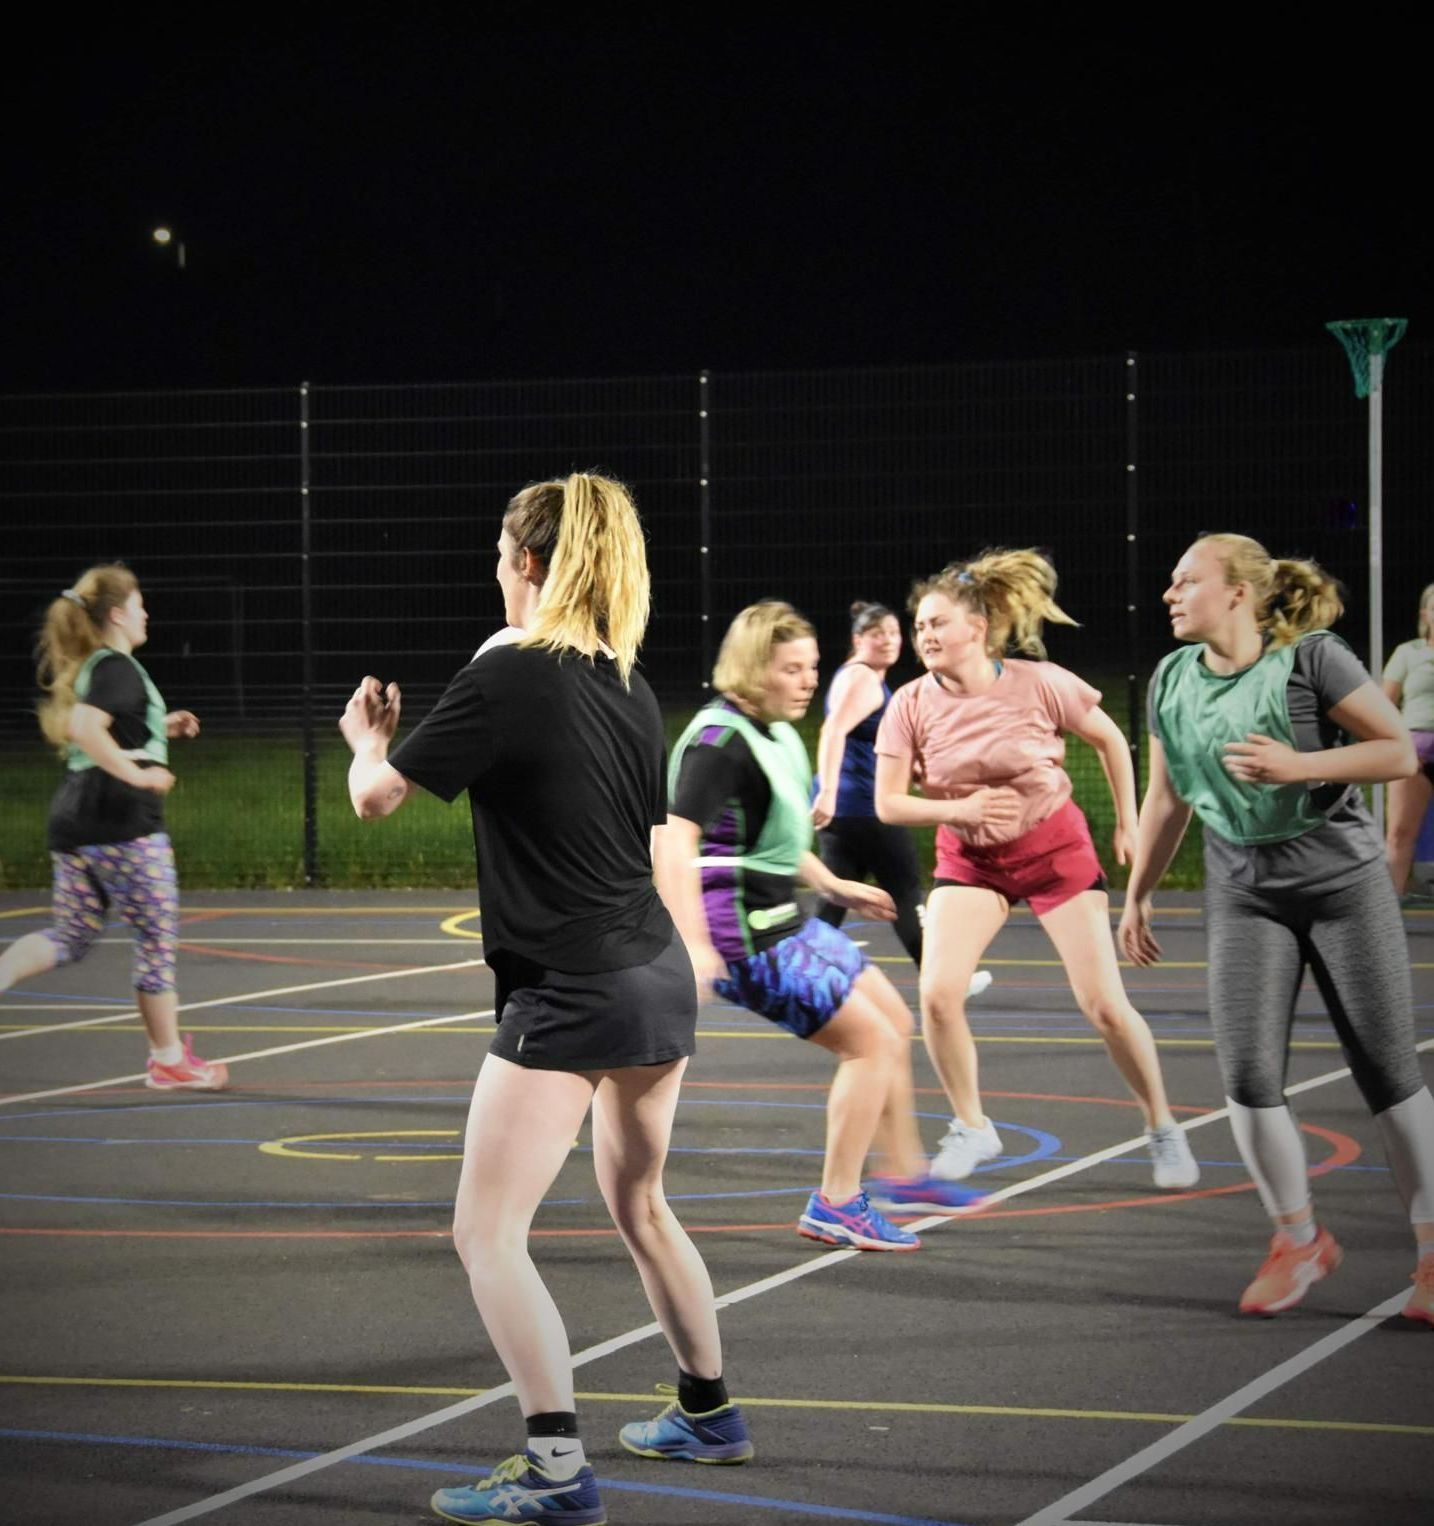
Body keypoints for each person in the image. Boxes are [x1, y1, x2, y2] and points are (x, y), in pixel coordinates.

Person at [341, 474, 753, 1526]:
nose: (492, 565)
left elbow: (377, 800)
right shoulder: (626, 677)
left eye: (496, 549)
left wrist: (367, 743)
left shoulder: (504, 666)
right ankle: (708, 1409)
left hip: (574, 983)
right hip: (654, 974)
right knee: (642, 1203)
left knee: (487, 1231)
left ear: (528, 562)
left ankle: (555, 1465)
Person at [1119, 533, 1433, 1322]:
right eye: (1170, 580)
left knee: (1387, 1071)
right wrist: (1137, 896)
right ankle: (1298, 1241)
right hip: (1244, 887)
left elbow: (1396, 752)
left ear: (1239, 594)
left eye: (1186, 580)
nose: (1169, 593)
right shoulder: (1170, 679)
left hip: (1341, 882)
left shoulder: (1312, 660)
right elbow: (1166, 800)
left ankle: (1432, 1255)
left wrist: (1301, 765)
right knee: (1249, 1078)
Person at [655, 600, 988, 1256]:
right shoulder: (719, 741)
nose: (809, 680)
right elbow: (671, 838)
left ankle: (906, 1175)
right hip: (743, 933)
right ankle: (837, 1202)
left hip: (786, 918)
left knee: (894, 1019)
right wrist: (692, 943)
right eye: (791, 669)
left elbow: (774, 831)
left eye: (811, 666)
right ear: (754, 669)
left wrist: (832, 884)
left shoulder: (774, 728)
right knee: (869, 1045)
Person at [873, 550, 1199, 1191]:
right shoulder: (910, 704)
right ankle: (972, 1126)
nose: (926, 637)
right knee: (938, 996)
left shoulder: (1039, 682)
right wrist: (961, 806)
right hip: (972, 859)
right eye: (920, 628)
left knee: (1104, 1005)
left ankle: (1163, 1126)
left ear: (980, 628)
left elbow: (1109, 739)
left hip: (1054, 853)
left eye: (939, 623)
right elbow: (887, 802)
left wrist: (1128, 821)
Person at [0, 565, 226, 1092]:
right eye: (141, 605)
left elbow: (101, 730)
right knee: (155, 939)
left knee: (71, 936)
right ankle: (168, 1060)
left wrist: (159, 729)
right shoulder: (118, 667)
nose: (147, 614)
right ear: (119, 614)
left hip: (75, 823)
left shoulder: (100, 669)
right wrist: (137, 775)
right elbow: (85, 729)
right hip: (122, 825)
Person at [811, 599, 991, 1000]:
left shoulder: (857, 676)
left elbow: (863, 740)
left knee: (839, 893)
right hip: (863, 806)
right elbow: (834, 732)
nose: (890, 641)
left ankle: (802, 970)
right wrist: (826, 789)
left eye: (894, 633)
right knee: (905, 891)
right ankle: (944, 980)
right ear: (859, 639)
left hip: (848, 807)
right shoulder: (864, 680)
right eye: (878, 634)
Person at [1382, 580, 1434, 905]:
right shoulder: (1408, 653)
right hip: (1414, 752)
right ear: (1425, 614)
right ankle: (1386, 910)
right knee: (1400, 834)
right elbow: (1385, 703)